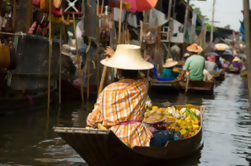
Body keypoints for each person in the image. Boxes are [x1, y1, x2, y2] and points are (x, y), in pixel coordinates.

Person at [86, 44, 174, 147]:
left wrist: (115, 58)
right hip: (138, 140)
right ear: (137, 69)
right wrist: (116, 57)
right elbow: (141, 76)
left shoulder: (107, 90)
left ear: (119, 70)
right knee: (168, 135)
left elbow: (91, 120)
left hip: (114, 140)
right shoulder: (142, 85)